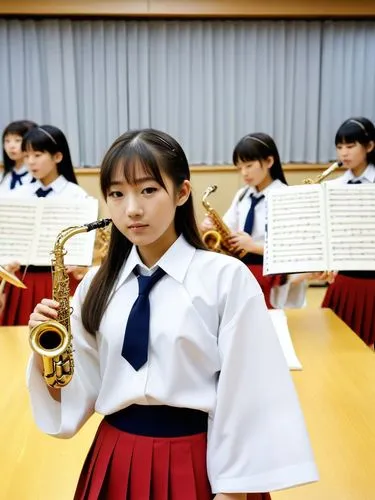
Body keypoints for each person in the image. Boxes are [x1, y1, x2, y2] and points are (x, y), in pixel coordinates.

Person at [27, 129, 318, 500]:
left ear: (182, 192)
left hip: (201, 460)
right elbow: (76, 391)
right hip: (116, 458)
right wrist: (45, 355)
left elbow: (248, 393)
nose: (131, 208)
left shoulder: (225, 278)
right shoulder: (97, 284)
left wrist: (231, 492)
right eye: (117, 194)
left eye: (148, 190)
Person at [201, 133, 307, 309]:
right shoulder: (242, 195)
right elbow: (228, 228)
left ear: (269, 162)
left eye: (249, 165)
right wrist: (211, 226)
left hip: (273, 278)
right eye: (239, 167)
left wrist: (253, 246)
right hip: (245, 273)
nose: (244, 173)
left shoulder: (287, 196)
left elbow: (292, 250)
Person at [1, 125, 89, 326]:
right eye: (27, 155)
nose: (30, 162)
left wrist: (81, 265)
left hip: (60, 281)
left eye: (38, 155)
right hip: (21, 281)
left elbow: (84, 248)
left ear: (58, 157)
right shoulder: (16, 196)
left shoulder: (77, 196)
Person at [322, 116, 375, 346]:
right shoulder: (332, 187)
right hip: (343, 279)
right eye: (339, 146)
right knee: (336, 343)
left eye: (351, 146)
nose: (344, 153)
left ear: (370, 146)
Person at [0, 119, 37, 194]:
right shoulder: (4, 176)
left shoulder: (37, 175)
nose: (11, 146)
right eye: (7, 141)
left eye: (17, 140)